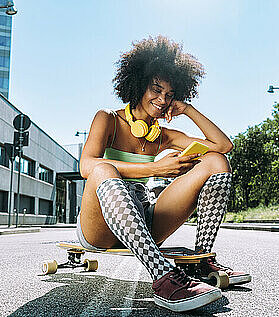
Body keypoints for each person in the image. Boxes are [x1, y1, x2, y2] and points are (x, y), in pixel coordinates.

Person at [77, 36, 250, 312]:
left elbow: (223, 146)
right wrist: (155, 169)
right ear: (138, 84)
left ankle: (200, 262)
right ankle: (163, 277)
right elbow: (86, 166)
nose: (162, 99)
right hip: (99, 226)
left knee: (216, 161)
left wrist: (188, 109)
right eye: (156, 90)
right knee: (102, 168)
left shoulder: (164, 136)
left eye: (169, 95)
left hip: (142, 222)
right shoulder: (107, 119)